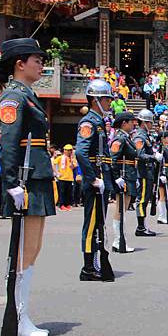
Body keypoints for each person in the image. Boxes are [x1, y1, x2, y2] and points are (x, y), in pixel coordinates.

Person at [0, 38, 55, 336]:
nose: (41, 64)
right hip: (25, 180)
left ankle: (21, 313)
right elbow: (8, 144)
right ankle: (17, 316)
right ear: (20, 64)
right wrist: (10, 185)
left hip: (36, 178)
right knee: (25, 251)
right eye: (37, 59)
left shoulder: (27, 95)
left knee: (32, 249)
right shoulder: (13, 98)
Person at [75, 79, 115, 283]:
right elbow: (80, 152)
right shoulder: (89, 122)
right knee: (91, 224)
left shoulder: (99, 122)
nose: (110, 103)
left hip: (102, 177)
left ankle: (95, 262)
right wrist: (91, 178)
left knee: (99, 222)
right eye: (107, 99)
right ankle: (88, 267)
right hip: (95, 180)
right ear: (96, 100)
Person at [109, 111, 138, 253]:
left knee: (123, 210)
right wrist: (116, 177)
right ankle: (118, 240)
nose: (134, 123)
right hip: (123, 177)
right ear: (124, 123)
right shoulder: (119, 139)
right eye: (131, 121)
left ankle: (120, 239)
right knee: (120, 210)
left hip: (129, 176)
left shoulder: (126, 138)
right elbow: (113, 159)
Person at [133, 109, 161, 236]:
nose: (151, 125)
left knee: (145, 199)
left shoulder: (145, 136)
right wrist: (153, 156)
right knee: (142, 200)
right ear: (143, 122)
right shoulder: (139, 136)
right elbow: (138, 154)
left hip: (148, 171)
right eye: (149, 122)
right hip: (143, 171)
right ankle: (140, 227)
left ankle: (143, 225)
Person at [54, 144, 77, 211]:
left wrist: (71, 160)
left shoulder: (72, 159)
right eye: (67, 150)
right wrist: (56, 173)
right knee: (62, 192)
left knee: (69, 192)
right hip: (62, 178)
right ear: (64, 150)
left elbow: (73, 167)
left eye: (70, 150)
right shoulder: (60, 157)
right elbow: (53, 164)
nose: (68, 151)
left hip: (69, 178)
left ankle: (67, 204)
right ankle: (61, 205)